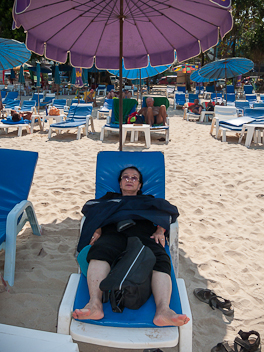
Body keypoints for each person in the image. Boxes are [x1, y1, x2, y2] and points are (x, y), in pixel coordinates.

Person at [72, 167, 190, 327]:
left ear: (140, 185)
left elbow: (168, 212)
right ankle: (94, 305)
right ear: (120, 183)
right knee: (99, 251)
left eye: (134, 178)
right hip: (113, 232)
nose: (129, 180)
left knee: (160, 257)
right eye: (125, 177)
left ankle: (163, 310)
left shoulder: (148, 200)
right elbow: (91, 210)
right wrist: (97, 227)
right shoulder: (108, 199)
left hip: (143, 233)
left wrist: (160, 230)